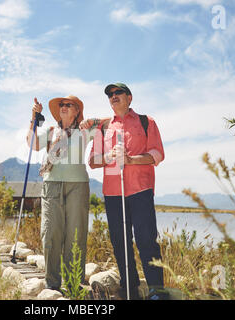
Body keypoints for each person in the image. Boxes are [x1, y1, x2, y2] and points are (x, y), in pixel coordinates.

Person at [88, 83, 167, 300]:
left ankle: (156, 291)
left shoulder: (146, 122)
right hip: (113, 192)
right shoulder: (102, 128)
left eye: (118, 93)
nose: (113, 97)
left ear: (129, 98)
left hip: (140, 189)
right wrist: (108, 157)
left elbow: (157, 154)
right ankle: (130, 287)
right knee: (120, 241)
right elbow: (92, 161)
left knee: (146, 240)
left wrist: (130, 159)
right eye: (110, 95)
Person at [27, 95, 96, 292]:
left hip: (78, 186)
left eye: (68, 105)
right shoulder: (50, 132)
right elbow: (32, 144)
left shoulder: (86, 131)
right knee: (50, 234)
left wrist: (96, 120)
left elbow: (111, 123)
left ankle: (74, 284)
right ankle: (52, 284)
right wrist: (34, 117)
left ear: (77, 111)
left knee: (76, 235)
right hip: (52, 185)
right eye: (61, 105)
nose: (63, 107)